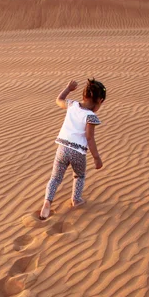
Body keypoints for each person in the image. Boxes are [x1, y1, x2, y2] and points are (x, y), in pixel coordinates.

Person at [39, 78, 106, 220]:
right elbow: (89, 138)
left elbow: (59, 100)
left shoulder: (72, 105)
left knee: (55, 178)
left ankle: (47, 202)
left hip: (62, 148)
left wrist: (68, 89)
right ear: (99, 101)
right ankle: (75, 200)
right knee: (79, 176)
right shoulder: (91, 117)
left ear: (83, 95)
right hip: (78, 152)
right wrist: (96, 157)